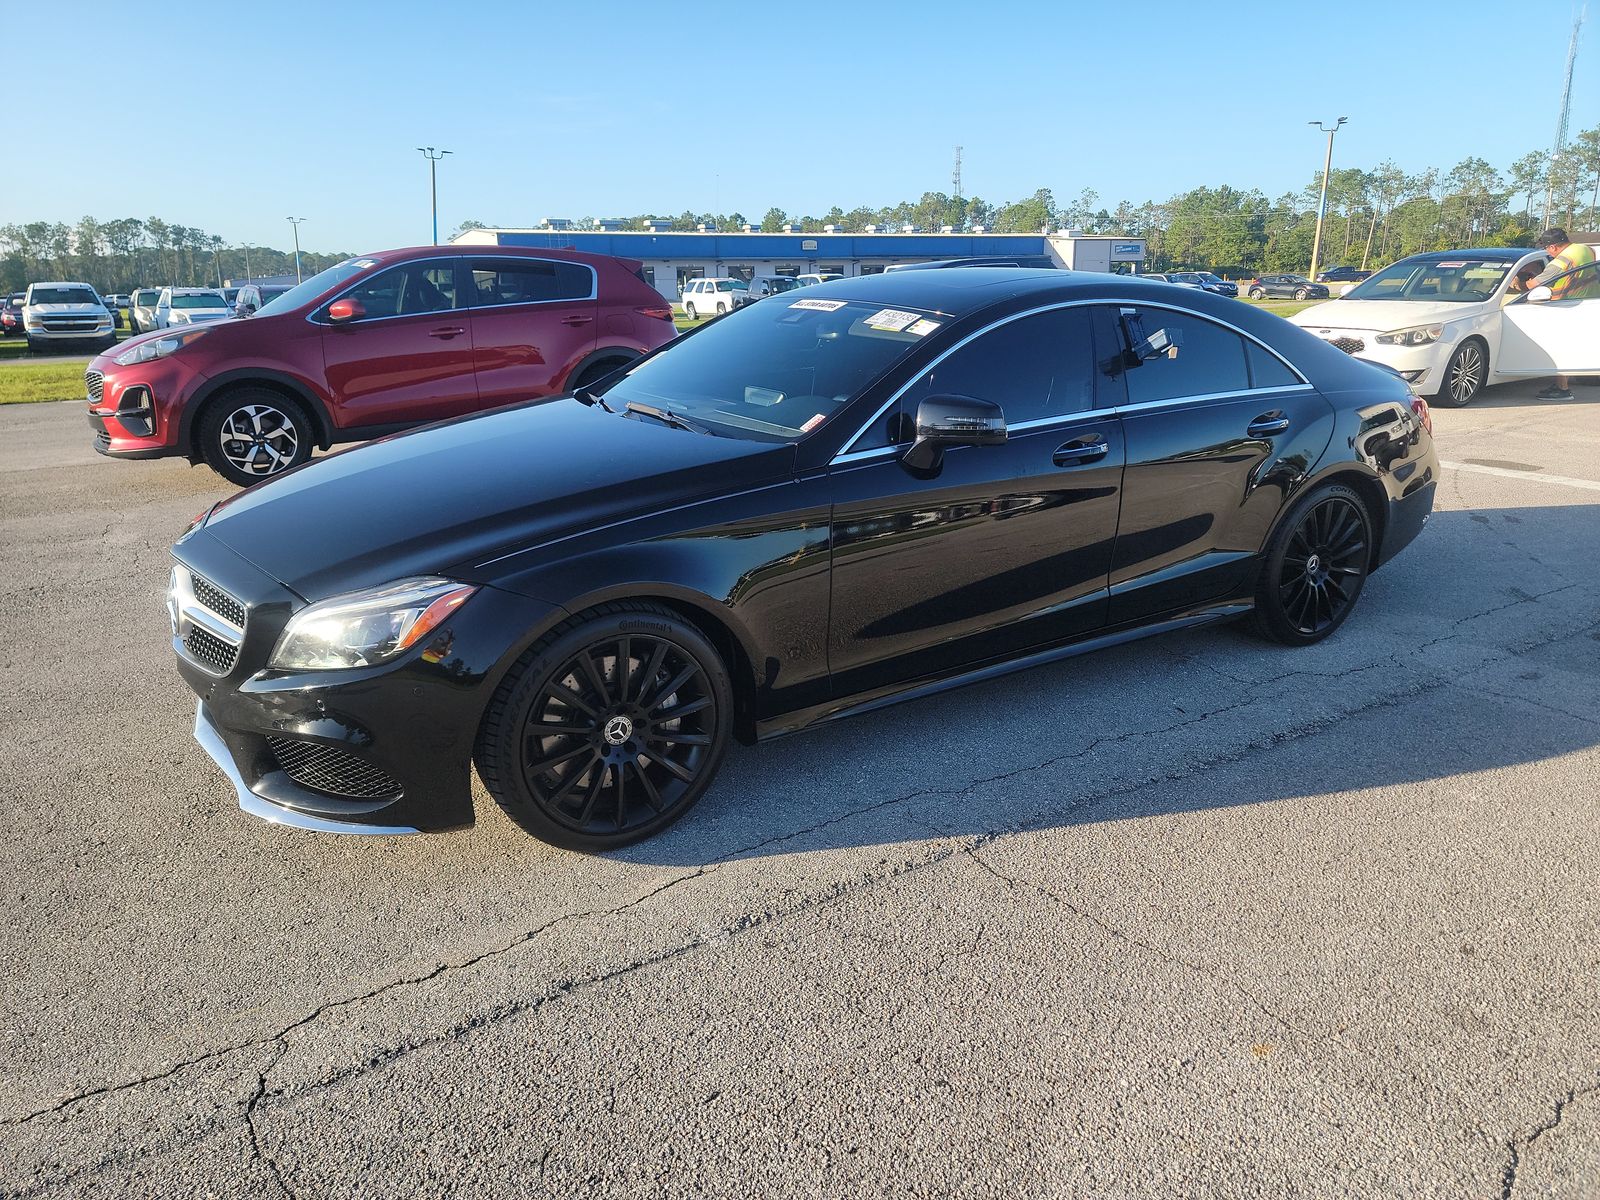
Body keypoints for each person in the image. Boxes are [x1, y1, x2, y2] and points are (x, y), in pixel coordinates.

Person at [1524, 228, 1598, 400]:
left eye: (1546, 248)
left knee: (1561, 347)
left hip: (1567, 307)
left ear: (1554, 247)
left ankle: (1562, 389)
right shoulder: (1586, 249)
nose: (1546, 252)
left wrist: (1520, 283)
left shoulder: (1560, 262)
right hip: (1590, 302)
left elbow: (1533, 285)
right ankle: (1562, 384)